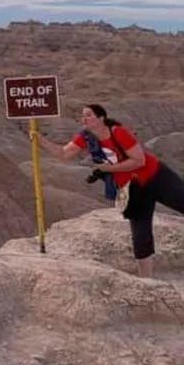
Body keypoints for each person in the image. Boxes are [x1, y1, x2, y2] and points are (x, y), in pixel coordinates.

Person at [36, 103, 184, 278]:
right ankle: (147, 281)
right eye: (82, 116)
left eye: (89, 115)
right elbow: (63, 154)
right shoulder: (86, 137)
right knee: (140, 234)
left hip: (156, 177)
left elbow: (139, 161)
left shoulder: (117, 132)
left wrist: (107, 169)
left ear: (101, 118)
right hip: (133, 188)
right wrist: (41, 141)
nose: (84, 119)